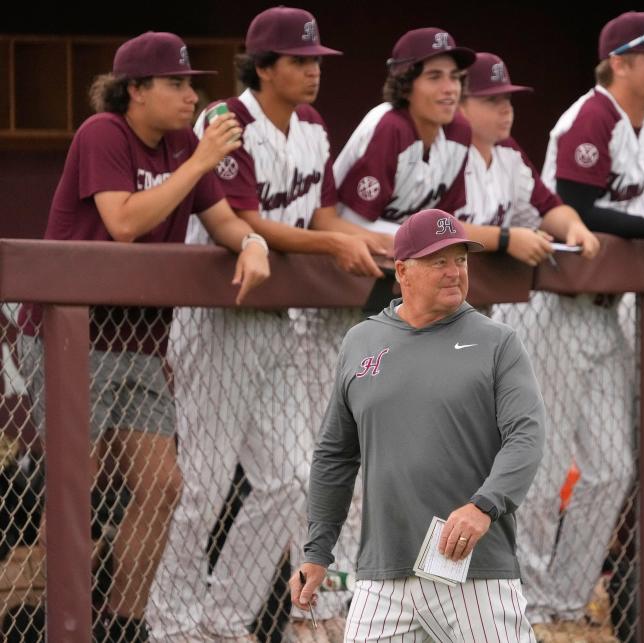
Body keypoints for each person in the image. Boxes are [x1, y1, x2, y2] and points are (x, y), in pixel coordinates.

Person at [14, 31, 270, 642]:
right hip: (71, 331)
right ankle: (39, 616)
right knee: (81, 481)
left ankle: (125, 627)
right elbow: (123, 222)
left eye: (191, 82)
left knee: (163, 486)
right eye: (176, 83)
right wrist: (201, 162)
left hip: (139, 340)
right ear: (136, 90)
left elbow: (223, 220)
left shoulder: (185, 144)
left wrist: (253, 241)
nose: (190, 95)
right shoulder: (103, 132)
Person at [146, 8, 386, 642]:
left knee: (288, 481)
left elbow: (325, 214)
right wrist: (330, 248)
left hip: (277, 319)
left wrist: (373, 243)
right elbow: (247, 218)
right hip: (219, 314)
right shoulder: (224, 119)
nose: (312, 72)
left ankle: (225, 621)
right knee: (204, 483)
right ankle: (172, 625)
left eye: (316, 62)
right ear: (263, 66)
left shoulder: (310, 125)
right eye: (300, 61)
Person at [497, 12, 644, 641]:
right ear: (619, 63)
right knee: (541, 474)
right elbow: (574, 203)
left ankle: (566, 600)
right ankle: (525, 603)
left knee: (611, 470)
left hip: (606, 317)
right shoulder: (590, 117)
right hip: (551, 313)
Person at [289, 208, 546, 642]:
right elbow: (334, 457)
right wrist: (317, 552)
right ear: (402, 271)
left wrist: (485, 505)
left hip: (475, 573)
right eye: (438, 261)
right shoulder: (360, 342)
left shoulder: (498, 343)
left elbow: (526, 437)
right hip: (382, 575)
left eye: (461, 260)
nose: (454, 272)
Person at [453, 52, 599, 263]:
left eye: (507, 98)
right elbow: (435, 227)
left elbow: (548, 208)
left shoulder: (508, 150)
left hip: (491, 288)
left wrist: (574, 226)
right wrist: (506, 239)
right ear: (460, 105)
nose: (506, 109)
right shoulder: (445, 149)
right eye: (492, 100)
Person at [333, 27, 476, 235]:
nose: (450, 88)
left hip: (397, 250)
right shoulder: (389, 127)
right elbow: (351, 221)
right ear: (405, 85)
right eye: (434, 77)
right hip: (340, 251)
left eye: (454, 77)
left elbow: (444, 220)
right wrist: (425, 240)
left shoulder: (459, 131)